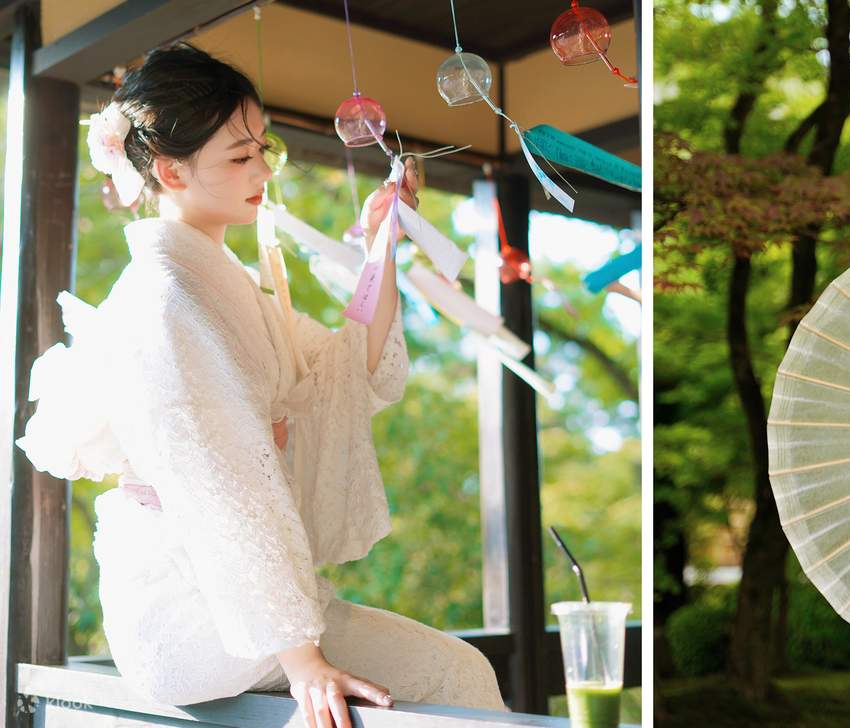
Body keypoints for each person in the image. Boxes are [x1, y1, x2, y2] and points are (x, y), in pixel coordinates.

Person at [14, 43, 506, 727]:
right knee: (456, 673)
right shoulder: (166, 299)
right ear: (168, 170)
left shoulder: (226, 281)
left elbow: (341, 370)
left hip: (248, 596)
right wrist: (304, 662)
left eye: (262, 149)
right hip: (194, 611)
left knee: (457, 671)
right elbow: (223, 484)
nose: (262, 171)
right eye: (239, 158)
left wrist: (378, 249)